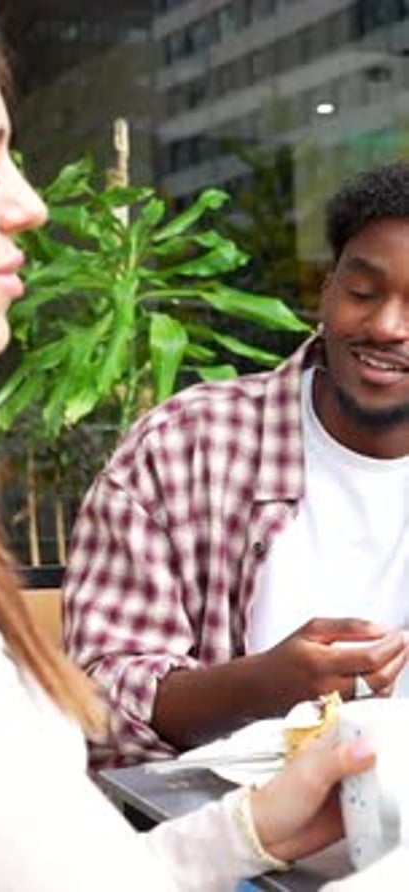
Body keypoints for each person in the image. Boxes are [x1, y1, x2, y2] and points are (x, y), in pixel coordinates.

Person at [0, 2, 381, 890]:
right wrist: (261, 683)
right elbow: (103, 713)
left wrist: (255, 825)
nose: (32, 205)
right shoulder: (189, 445)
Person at [63, 161, 409, 770]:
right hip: (218, 845)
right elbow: (95, 695)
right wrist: (260, 689)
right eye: (362, 293)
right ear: (326, 291)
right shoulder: (184, 446)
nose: (385, 326)